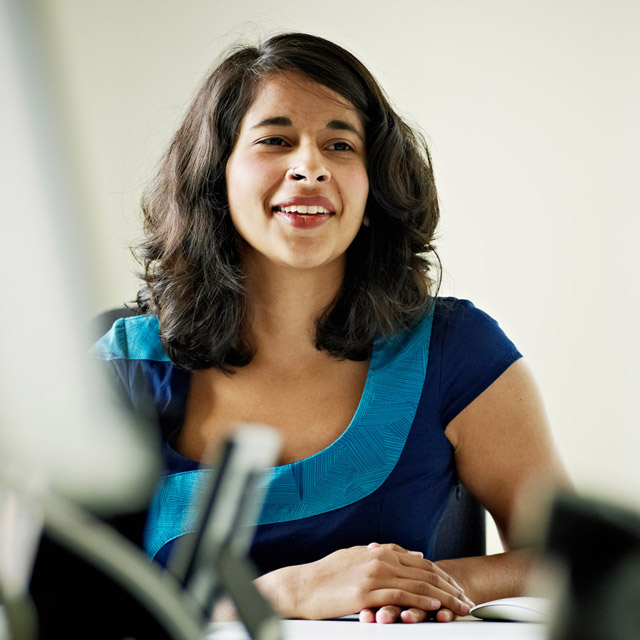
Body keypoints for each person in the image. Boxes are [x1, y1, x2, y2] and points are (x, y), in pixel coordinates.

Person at [93, 32, 569, 624]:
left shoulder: (458, 350)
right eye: (275, 139)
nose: (310, 166)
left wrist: (428, 582)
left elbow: (574, 559)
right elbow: (67, 603)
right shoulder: (122, 368)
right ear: (216, 175)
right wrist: (282, 596)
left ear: (372, 188)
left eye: (341, 145)